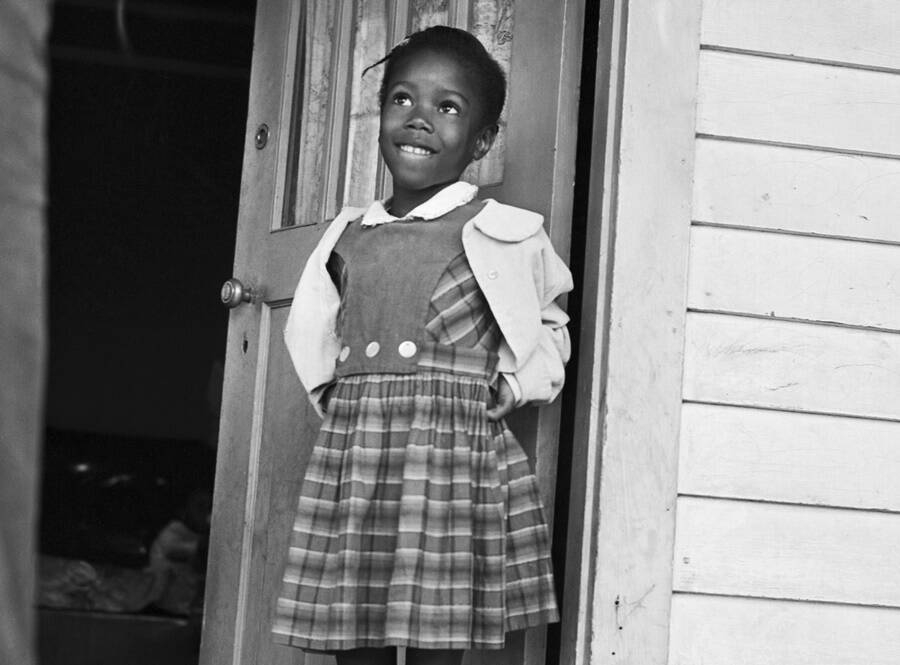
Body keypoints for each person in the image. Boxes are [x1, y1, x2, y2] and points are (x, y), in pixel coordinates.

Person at [273, 26, 573, 665]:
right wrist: (336, 393)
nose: (419, 119)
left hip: (451, 453)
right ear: (379, 118)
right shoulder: (349, 234)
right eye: (402, 100)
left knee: (441, 635)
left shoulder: (503, 233)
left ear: (483, 139)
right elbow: (311, 323)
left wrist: (515, 384)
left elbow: (550, 323)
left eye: (448, 107)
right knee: (355, 631)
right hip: (362, 454)